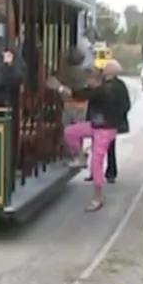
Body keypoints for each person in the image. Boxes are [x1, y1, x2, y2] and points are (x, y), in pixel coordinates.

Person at [49, 58, 129, 212]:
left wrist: (59, 87)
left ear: (95, 80)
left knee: (97, 163)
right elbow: (81, 93)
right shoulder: (111, 87)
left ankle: (97, 197)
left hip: (105, 129)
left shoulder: (102, 91)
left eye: (89, 80)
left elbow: (78, 94)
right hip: (98, 126)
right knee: (70, 132)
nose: (87, 83)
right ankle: (81, 156)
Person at [85, 60, 130, 184]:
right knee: (98, 147)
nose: (104, 70)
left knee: (108, 147)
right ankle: (97, 172)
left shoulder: (118, 86)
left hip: (109, 121)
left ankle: (109, 172)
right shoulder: (104, 84)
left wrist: (116, 117)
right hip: (99, 119)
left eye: (106, 68)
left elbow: (125, 104)